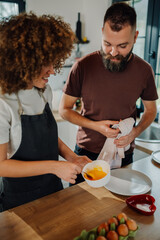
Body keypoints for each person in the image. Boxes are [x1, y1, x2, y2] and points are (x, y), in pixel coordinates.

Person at [0, 12, 91, 211]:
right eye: (45, 63)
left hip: (54, 191)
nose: (52, 70)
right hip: (20, 203)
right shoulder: (3, 103)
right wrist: (55, 166)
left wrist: (71, 158)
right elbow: (1, 165)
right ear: (23, 61)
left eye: (53, 61)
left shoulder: (43, 91)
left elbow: (49, 137)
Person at [59, 2, 158, 184]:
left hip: (124, 155)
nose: (113, 52)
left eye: (122, 45)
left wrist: (134, 132)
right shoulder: (82, 67)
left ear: (135, 37)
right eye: (107, 44)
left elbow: (151, 110)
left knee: (118, 208)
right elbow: (64, 110)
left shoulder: (145, 71)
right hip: (86, 154)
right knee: (81, 209)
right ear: (102, 31)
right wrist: (97, 127)